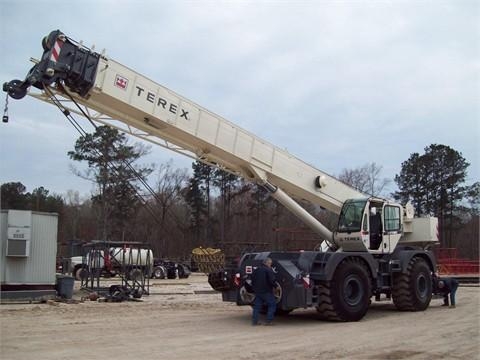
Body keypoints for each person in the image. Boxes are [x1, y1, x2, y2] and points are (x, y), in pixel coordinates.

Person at [251, 257, 278, 326]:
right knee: (272, 304)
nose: (270, 265)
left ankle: (255, 321)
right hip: (266, 291)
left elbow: (252, 279)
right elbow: (272, 280)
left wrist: (254, 288)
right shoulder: (268, 270)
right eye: (270, 263)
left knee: (257, 307)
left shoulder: (257, 270)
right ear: (267, 263)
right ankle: (269, 321)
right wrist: (275, 286)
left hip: (258, 291)